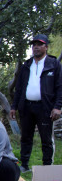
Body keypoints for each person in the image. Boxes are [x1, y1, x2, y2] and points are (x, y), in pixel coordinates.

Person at [10, 34, 62, 173]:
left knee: (46, 139)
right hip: (26, 106)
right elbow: (19, 88)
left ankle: (47, 168)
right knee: (26, 137)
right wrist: (14, 106)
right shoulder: (26, 65)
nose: (36, 47)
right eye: (34, 45)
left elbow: (60, 87)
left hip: (45, 107)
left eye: (39, 44)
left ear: (46, 47)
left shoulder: (54, 64)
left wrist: (57, 107)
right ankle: (24, 165)